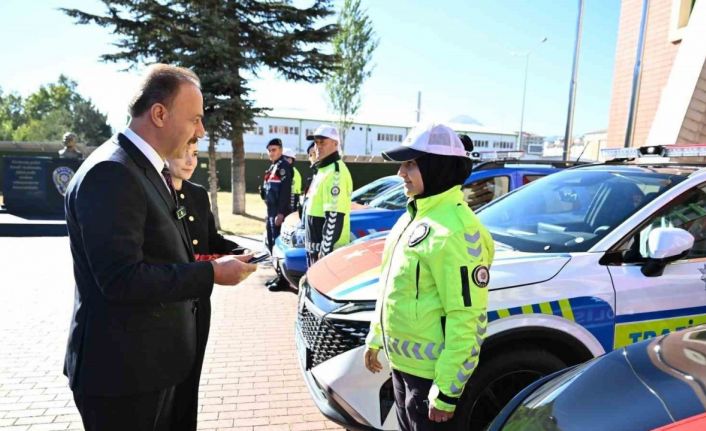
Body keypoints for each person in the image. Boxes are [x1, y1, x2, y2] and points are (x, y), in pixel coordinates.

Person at [63, 64, 257, 431]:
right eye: (195, 119)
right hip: (124, 377)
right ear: (159, 113)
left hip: (151, 367)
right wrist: (211, 273)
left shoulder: (142, 168)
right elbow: (121, 279)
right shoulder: (112, 173)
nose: (200, 131)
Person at [363, 123, 494, 430]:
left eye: (410, 163)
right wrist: (376, 337)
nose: (400, 173)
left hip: (431, 377)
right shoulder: (413, 216)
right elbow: (391, 289)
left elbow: (468, 318)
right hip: (403, 367)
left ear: (437, 166)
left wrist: (448, 390)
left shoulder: (458, 230)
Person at [165, 141, 243, 428]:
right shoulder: (155, 193)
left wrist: (239, 252)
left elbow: (212, 239)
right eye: (182, 152)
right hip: (168, 302)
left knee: (190, 378)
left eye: (195, 154)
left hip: (198, 304)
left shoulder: (197, 195)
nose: (190, 160)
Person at [304, 124, 352, 265]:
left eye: (322, 142)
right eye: (316, 142)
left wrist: (325, 252)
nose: (317, 146)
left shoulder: (336, 172)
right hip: (315, 249)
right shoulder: (323, 169)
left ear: (335, 144)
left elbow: (334, 216)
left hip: (326, 254)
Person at [260, 138, 293, 291]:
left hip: (279, 212)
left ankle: (283, 280)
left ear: (280, 150)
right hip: (271, 210)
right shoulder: (273, 167)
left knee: (278, 245)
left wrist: (281, 213)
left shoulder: (284, 167)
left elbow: (285, 193)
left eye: (274, 150)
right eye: (269, 150)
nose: (271, 153)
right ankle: (278, 275)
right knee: (272, 244)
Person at [283, 147, 302, 214]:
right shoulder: (287, 170)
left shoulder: (291, 171)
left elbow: (292, 194)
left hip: (292, 199)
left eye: (284, 158)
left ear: (290, 160)